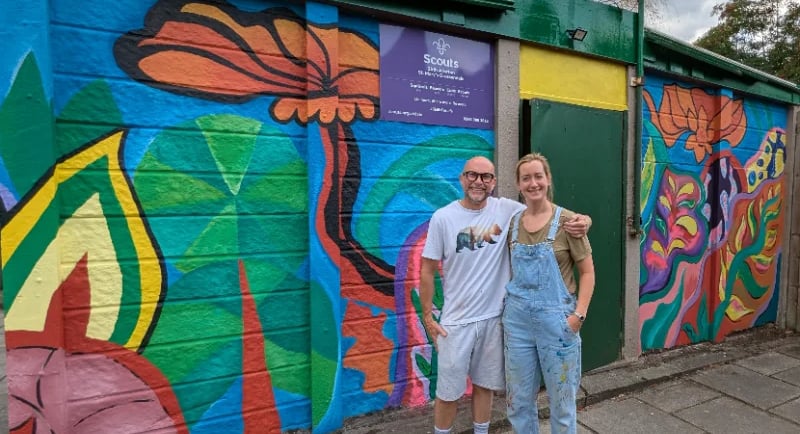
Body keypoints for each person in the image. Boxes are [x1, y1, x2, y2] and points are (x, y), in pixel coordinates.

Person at [419, 155, 590, 434]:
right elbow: (427, 269)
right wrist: (428, 317)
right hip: (463, 323)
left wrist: (585, 221)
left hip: (498, 319)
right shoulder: (446, 218)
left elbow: (556, 217)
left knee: (489, 387)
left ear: (494, 182)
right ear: (462, 179)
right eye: (472, 175)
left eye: (486, 176)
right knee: (452, 393)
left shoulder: (509, 210)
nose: (478, 181)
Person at [503, 153, 595, 434]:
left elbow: (588, 273)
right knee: (518, 403)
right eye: (526, 178)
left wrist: (578, 316)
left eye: (538, 176)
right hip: (517, 323)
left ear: (548, 179)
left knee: (562, 404)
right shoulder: (513, 223)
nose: (533, 183)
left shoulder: (568, 222)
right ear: (518, 184)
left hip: (557, 323)